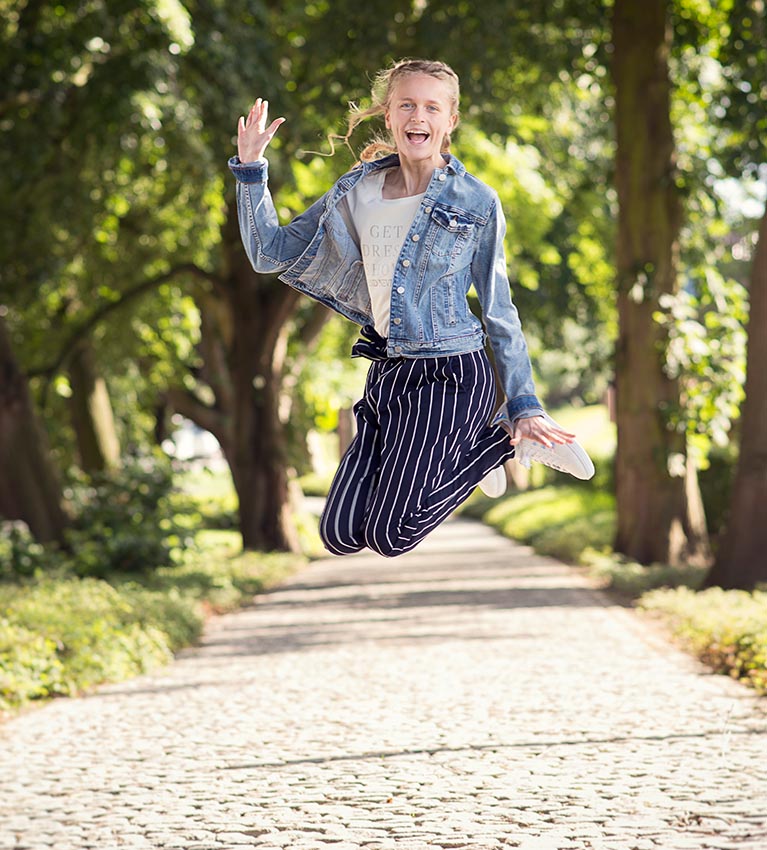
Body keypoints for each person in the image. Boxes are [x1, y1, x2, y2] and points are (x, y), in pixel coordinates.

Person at [228, 58, 594, 558]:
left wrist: (525, 404)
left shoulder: (477, 202)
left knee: (391, 535)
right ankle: (484, 451)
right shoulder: (357, 190)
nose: (417, 115)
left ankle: (498, 441)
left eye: (430, 106)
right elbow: (270, 252)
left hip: (451, 373)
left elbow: (499, 310)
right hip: (386, 373)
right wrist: (251, 170)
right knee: (338, 535)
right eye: (406, 104)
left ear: (449, 121)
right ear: (389, 117)